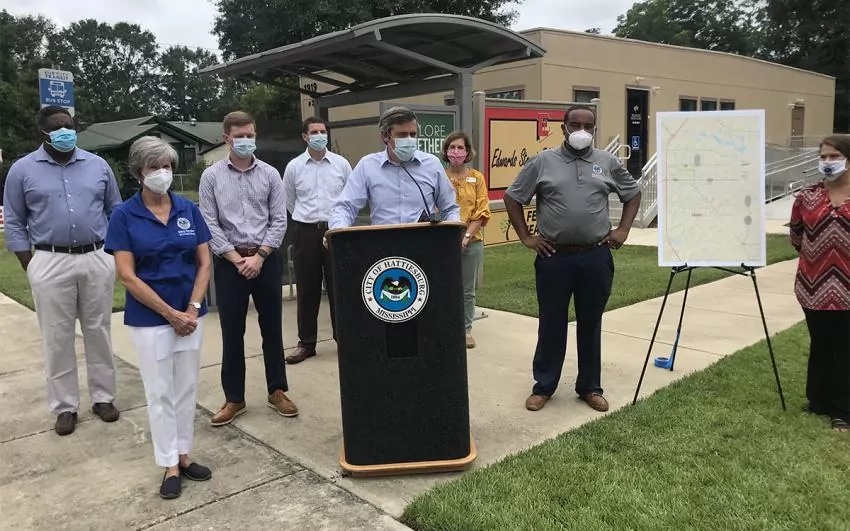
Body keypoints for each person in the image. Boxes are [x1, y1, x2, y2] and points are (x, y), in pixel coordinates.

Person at [504, 105, 641, 413]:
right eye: (575, 124)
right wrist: (526, 237)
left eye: (588, 126)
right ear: (563, 128)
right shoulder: (543, 162)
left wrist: (622, 229)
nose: (582, 130)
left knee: (590, 322)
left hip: (595, 256)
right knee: (551, 322)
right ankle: (544, 386)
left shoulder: (607, 162)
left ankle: (590, 387)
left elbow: (632, 193)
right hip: (554, 256)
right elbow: (513, 197)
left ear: (594, 129)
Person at [3, 105, 122, 436]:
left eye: (69, 125)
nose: (65, 132)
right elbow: (14, 219)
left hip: (96, 255)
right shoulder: (22, 170)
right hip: (49, 258)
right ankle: (65, 406)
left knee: (99, 330)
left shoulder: (98, 165)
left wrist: (113, 253)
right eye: (57, 127)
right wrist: (31, 265)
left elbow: (115, 209)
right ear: (42, 132)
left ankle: (103, 398)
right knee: (57, 337)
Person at [105, 136, 213, 499]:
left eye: (167, 166)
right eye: (155, 167)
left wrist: (192, 309)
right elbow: (127, 275)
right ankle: (168, 463)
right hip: (151, 319)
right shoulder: (124, 215)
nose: (162, 173)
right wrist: (170, 314)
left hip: (191, 315)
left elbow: (204, 262)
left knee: (186, 388)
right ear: (139, 171)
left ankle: (184, 453)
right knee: (160, 392)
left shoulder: (188, 209)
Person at [198, 111, 297, 426]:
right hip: (230, 264)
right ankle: (234, 398)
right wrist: (235, 258)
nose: (246, 141)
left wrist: (260, 256)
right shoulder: (211, 177)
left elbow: (279, 219)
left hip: (265, 260)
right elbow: (209, 222)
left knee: (272, 328)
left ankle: (277, 390)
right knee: (232, 332)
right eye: (239, 136)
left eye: (250, 135)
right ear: (226, 138)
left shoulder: (270, 174)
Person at [790, 134, 850, 432]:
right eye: (823, 156)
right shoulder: (807, 197)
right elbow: (797, 237)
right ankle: (818, 400)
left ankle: (843, 410)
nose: (827, 162)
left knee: (845, 348)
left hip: (848, 288)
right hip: (813, 286)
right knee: (821, 342)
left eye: (834, 156)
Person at [283, 117, 352, 364]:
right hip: (306, 231)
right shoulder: (294, 167)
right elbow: (289, 201)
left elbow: (350, 196)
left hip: (336, 231)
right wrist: (309, 222)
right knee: (307, 289)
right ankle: (307, 343)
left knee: (339, 288)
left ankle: (344, 339)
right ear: (305, 137)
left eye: (323, 131)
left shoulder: (341, 164)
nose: (320, 135)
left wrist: (338, 225)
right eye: (314, 132)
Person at [328, 106, 460, 230]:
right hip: (383, 243)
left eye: (413, 134)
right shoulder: (367, 166)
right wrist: (337, 232)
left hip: (424, 242)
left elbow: (450, 209)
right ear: (385, 136)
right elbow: (346, 207)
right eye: (402, 135)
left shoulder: (432, 164)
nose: (409, 139)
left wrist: (453, 233)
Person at [442, 131, 491, 349]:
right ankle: (446, 327)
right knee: (444, 286)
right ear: (446, 151)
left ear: (468, 151)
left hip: (472, 241)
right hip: (443, 241)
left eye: (460, 147)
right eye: (452, 147)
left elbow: (482, 210)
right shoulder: (439, 175)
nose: (456, 152)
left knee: (467, 290)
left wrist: (467, 236)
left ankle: (466, 329)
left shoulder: (476, 177)